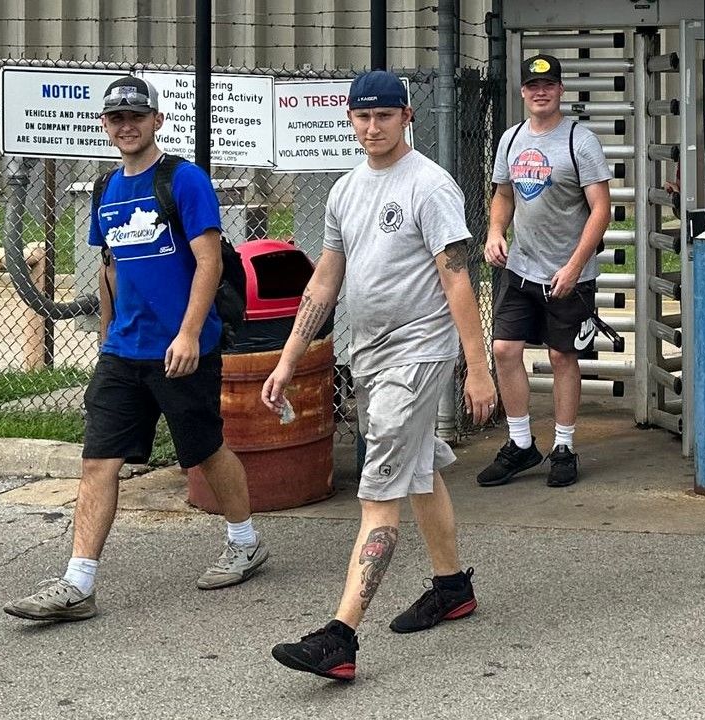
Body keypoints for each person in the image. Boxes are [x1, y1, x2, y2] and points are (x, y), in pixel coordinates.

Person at [3, 77, 267, 622]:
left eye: (137, 117)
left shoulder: (183, 179)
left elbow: (209, 261)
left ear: (156, 121)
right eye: (117, 118)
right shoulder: (105, 189)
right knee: (98, 460)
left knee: (205, 450)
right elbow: (111, 269)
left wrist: (189, 333)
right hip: (124, 351)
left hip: (183, 348)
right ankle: (78, 584)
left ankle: (245, 542)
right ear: (105, 125)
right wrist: (107, 337)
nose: (127, 126)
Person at [262, 70, 495, 681]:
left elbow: (457, 278)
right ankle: (452, 588)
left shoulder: (429, 186)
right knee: (417, 472)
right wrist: (288, 359)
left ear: (406, 117)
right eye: (363, 117)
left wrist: (477, 368)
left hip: (416, 355)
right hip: (369, 355)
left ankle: (340, 637)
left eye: (384, 116)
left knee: (377, 496)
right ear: (350, 119)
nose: (373, 127)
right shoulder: (345, 190)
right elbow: (324, 281)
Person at [480, 53, 613, 488]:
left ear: (560, 90)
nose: (541, 92)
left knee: (562, 356)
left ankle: (564, 447)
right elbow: (503, 194)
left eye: (549, 85)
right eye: (533, 86)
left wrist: (575, 266)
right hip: (521, 268)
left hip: (568, 275)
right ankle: (520, 443)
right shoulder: (510, 139)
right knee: (504, 349)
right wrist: (495, 233)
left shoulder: (580, 141)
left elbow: (601, 209)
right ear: (523, 91)